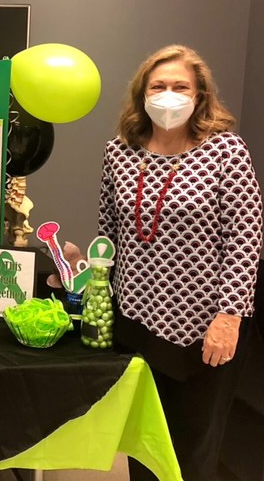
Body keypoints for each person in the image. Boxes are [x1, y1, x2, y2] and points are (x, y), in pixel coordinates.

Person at [98, 45, 262, 481]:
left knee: (192, 448)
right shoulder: (120, 152)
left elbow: (245, 237)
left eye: (180, 86)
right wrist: (87, 272)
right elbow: (108, 232)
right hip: (136, 320)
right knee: (144, 442)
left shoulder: (226, 151)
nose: (168, 95)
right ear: (142, 94)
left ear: (199, 95)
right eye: (158, 86)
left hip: (204, 327)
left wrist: (229, 316)